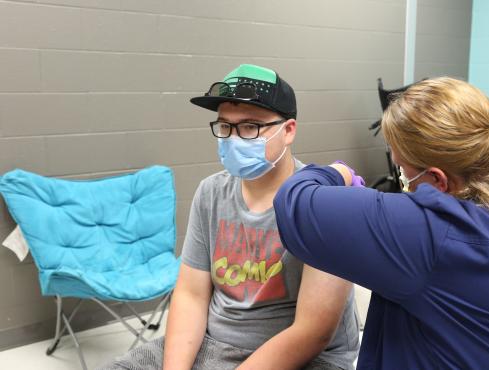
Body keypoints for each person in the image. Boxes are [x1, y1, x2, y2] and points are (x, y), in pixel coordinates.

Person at [273, 77, 489, 369]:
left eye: (402, 169)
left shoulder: (430, 233)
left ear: (438, 180)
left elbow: (293, 204)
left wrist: (339, 173)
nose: (401, 178)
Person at [98, 64, 359, 370]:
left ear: (288, 130)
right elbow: (192, 295)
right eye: (224, 126)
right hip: (215, 341)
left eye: (250, 127)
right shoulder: (211, 193)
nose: (233, 139)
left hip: (305, 357)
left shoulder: (324, 203)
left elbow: (312, 332)